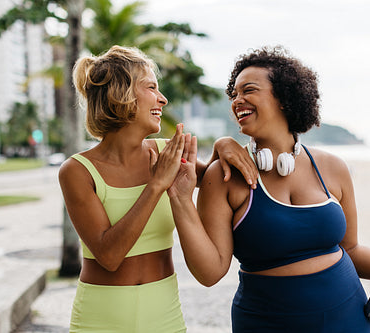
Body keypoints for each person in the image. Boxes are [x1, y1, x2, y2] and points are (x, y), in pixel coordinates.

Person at [168, 46, 370, 332]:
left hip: (349, 320)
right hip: (267, 323)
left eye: (248, 90)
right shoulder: (224, 175)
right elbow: (210, 272)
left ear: (284, 97)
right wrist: (181, 199)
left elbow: (350, 248)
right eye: (234, 94)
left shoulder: (333, 167)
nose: (237, 100)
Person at [58, 45, 257, 332]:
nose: (162, 99)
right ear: (121, 94)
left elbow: (218, 178)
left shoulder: (167, 153)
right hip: (100, 317)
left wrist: (222, 145)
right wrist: (156, 186)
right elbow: (109, 256)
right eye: (151, 87)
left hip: (164, 313)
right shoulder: (77, 171)